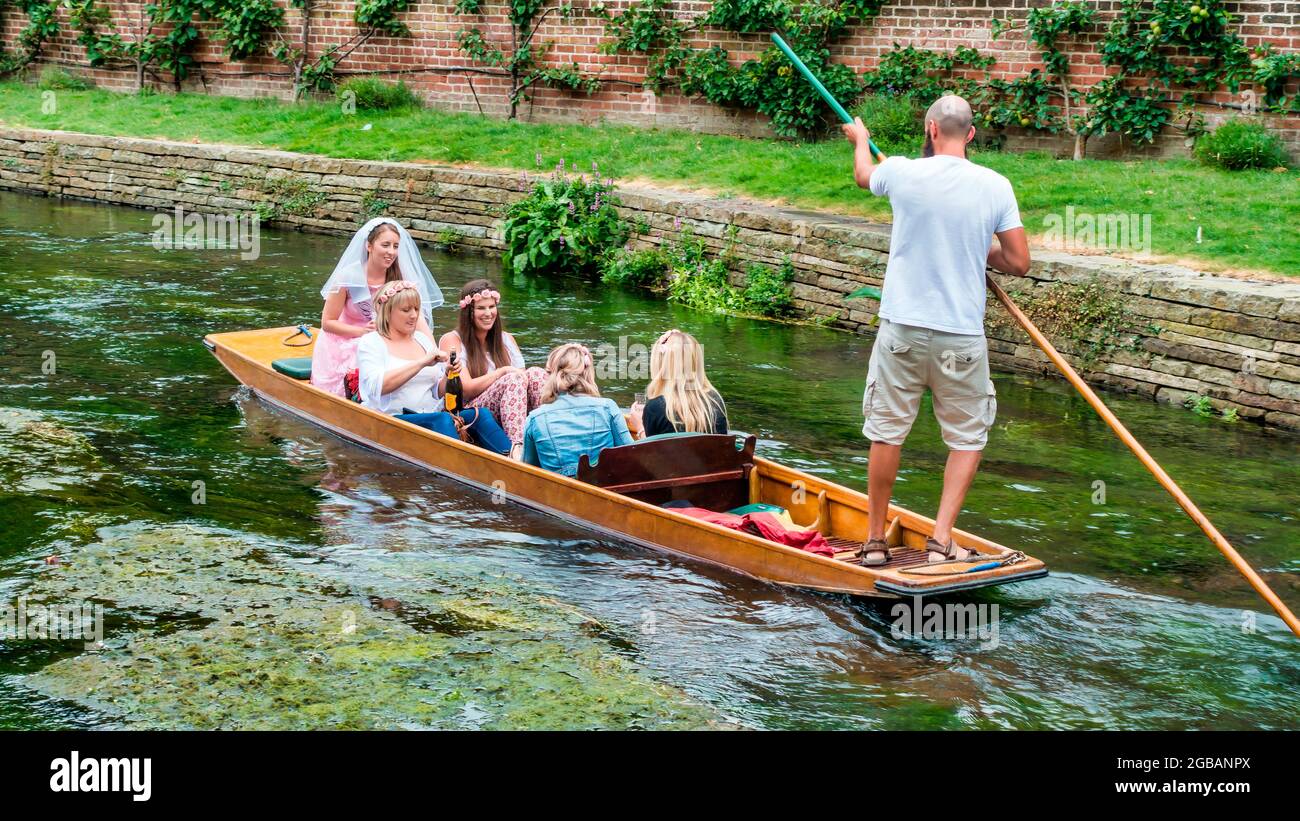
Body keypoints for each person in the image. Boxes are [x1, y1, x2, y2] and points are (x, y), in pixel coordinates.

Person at [842, 93, 1030, 566]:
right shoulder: (996, 186)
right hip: (959, 337)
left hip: (902, 330)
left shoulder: (902, 171)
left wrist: (861, 139)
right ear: (969, 134)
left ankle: (874, 543)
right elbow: (1018, 262)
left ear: (930, 129)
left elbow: (864, 176)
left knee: (887, 432)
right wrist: (976, 248)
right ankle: (941, 540)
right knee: (967, 438)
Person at [356, 280, 511, 453]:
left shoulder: (421, 340)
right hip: (391, 418)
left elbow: (436, 390)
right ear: (388, 312)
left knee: (480, 414)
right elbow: (377, 388)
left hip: (429, 414)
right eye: (406, 310)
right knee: (442, 420)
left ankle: (514, 459)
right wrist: (421, 363)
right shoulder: (371, 342)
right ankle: (461, 466)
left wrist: (449, 375)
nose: (414, 315)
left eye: (416, 309)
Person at [311, 217, 442, 396]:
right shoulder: (347, 277)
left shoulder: (399, 278)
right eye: (385, 245)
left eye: (396, 246)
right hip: (346, 341)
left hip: (387, 338)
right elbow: (327, 323)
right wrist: (363, 332)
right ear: (369, 246)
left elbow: (416, 318)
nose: (391, 252)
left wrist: (433, 350)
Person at [438, 279, 546, 460]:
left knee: (536, 373)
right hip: (469, 410)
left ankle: (549, 437)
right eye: (481, 308)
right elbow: (467, 389)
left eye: (491, 307)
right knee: (513, 378)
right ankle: (517, 450)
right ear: (468, 312)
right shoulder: (452, 340)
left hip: (508, 406)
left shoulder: (507, 339)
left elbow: (525, 383)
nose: (488, 313)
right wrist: (501, 372)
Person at [523, 343, 635, 476]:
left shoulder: (535, 419)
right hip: (603, 487)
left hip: (558, 492)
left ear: (550, 375)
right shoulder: (608, 408)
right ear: (587, 373)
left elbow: (528, 469)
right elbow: (631, 455)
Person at [628, 329, 728, 440]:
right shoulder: (715, 401)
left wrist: (640, 427)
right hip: (710, 457)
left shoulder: (655, 408)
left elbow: (651, 455)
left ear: (662, 365)